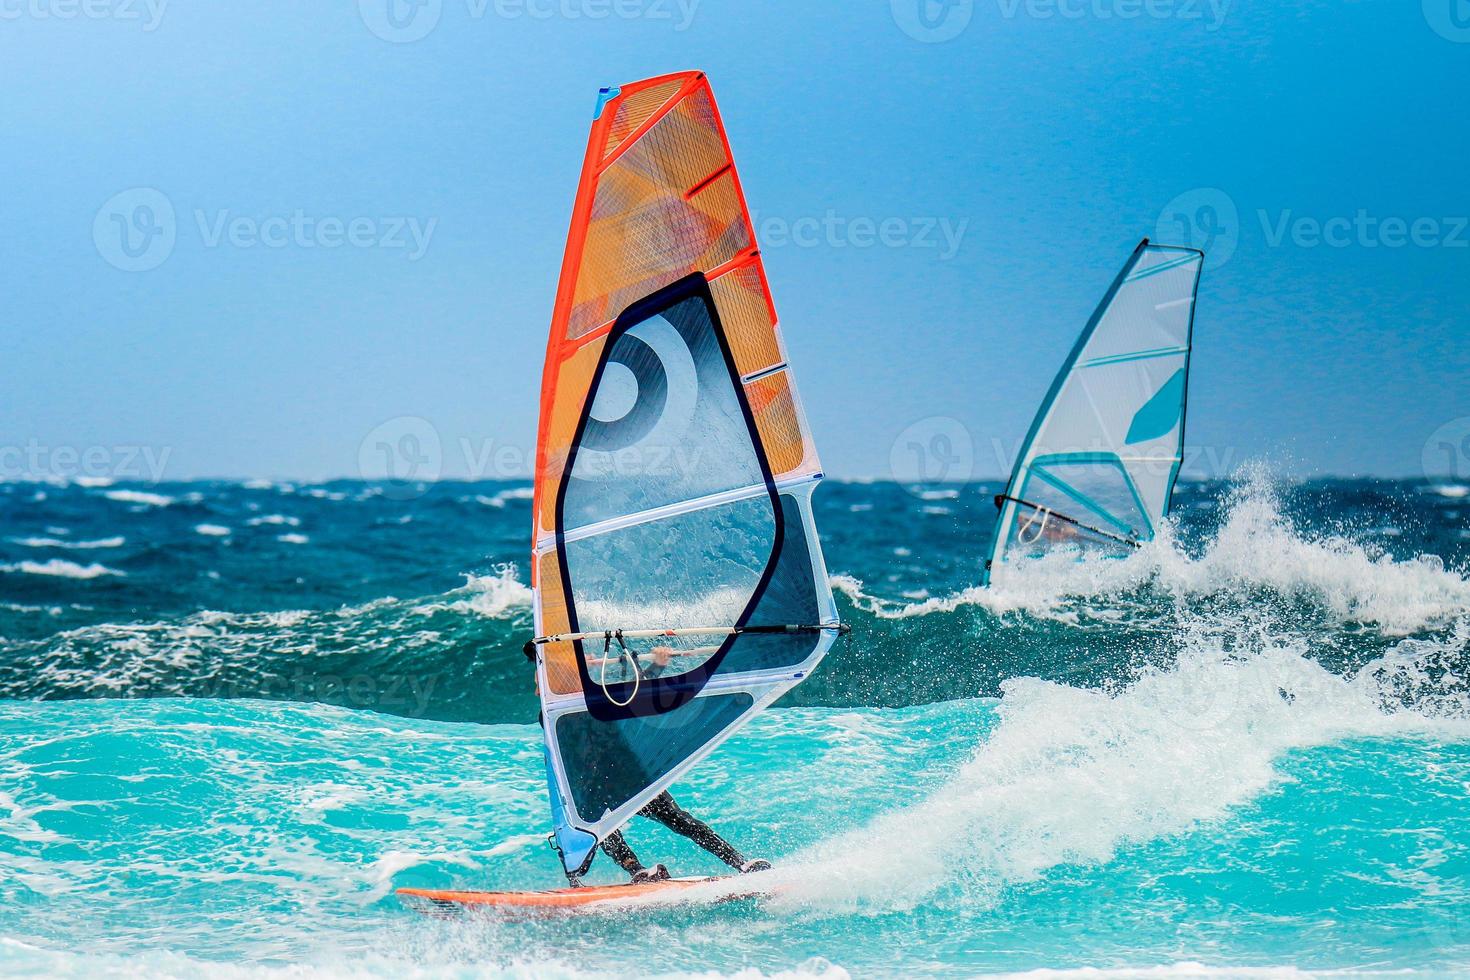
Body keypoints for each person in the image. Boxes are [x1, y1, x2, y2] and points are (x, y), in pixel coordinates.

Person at [569, 644, 771, 886]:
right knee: (600, 830)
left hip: (632, 778)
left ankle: (741, 863)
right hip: (596, 784)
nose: (538, 690)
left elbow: (631, 699)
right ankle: (637, 871)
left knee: (680, 820)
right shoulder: (560, 709)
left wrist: (657, 665)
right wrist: (574, 672)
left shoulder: (602, 700)